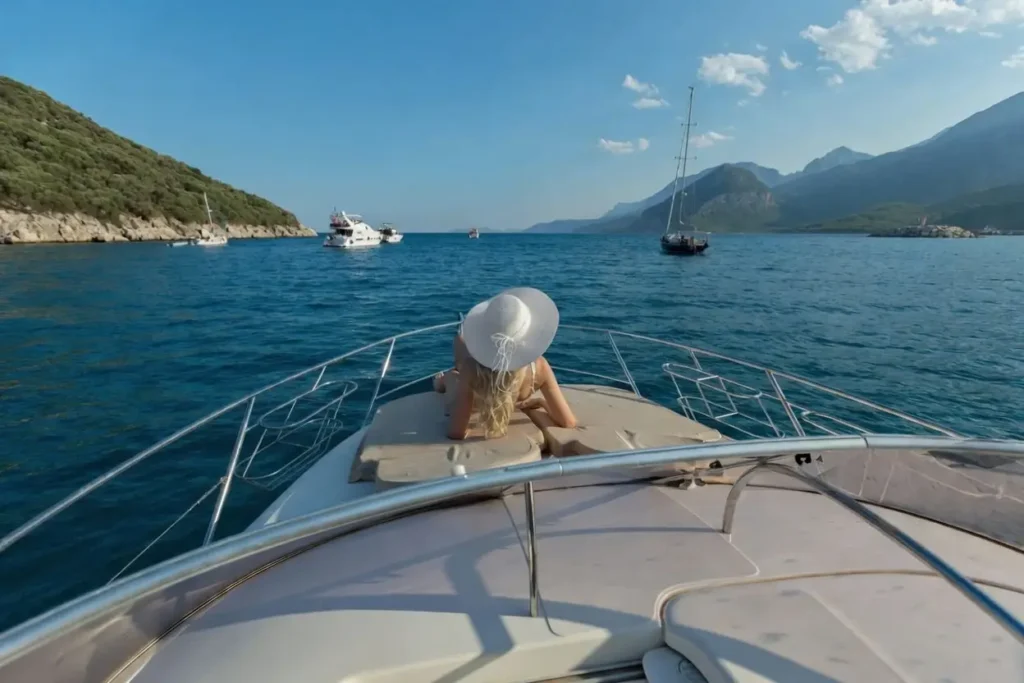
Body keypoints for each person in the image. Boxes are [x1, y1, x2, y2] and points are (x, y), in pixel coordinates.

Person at [433, 287, 577, 440]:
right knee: (461, 353)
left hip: (475, 388)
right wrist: (542, 403)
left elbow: (456, 433)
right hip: (515, 389)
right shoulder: (540, 367)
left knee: (455, 365)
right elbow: (568, 422)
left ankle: (439, 382)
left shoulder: (471, 369)